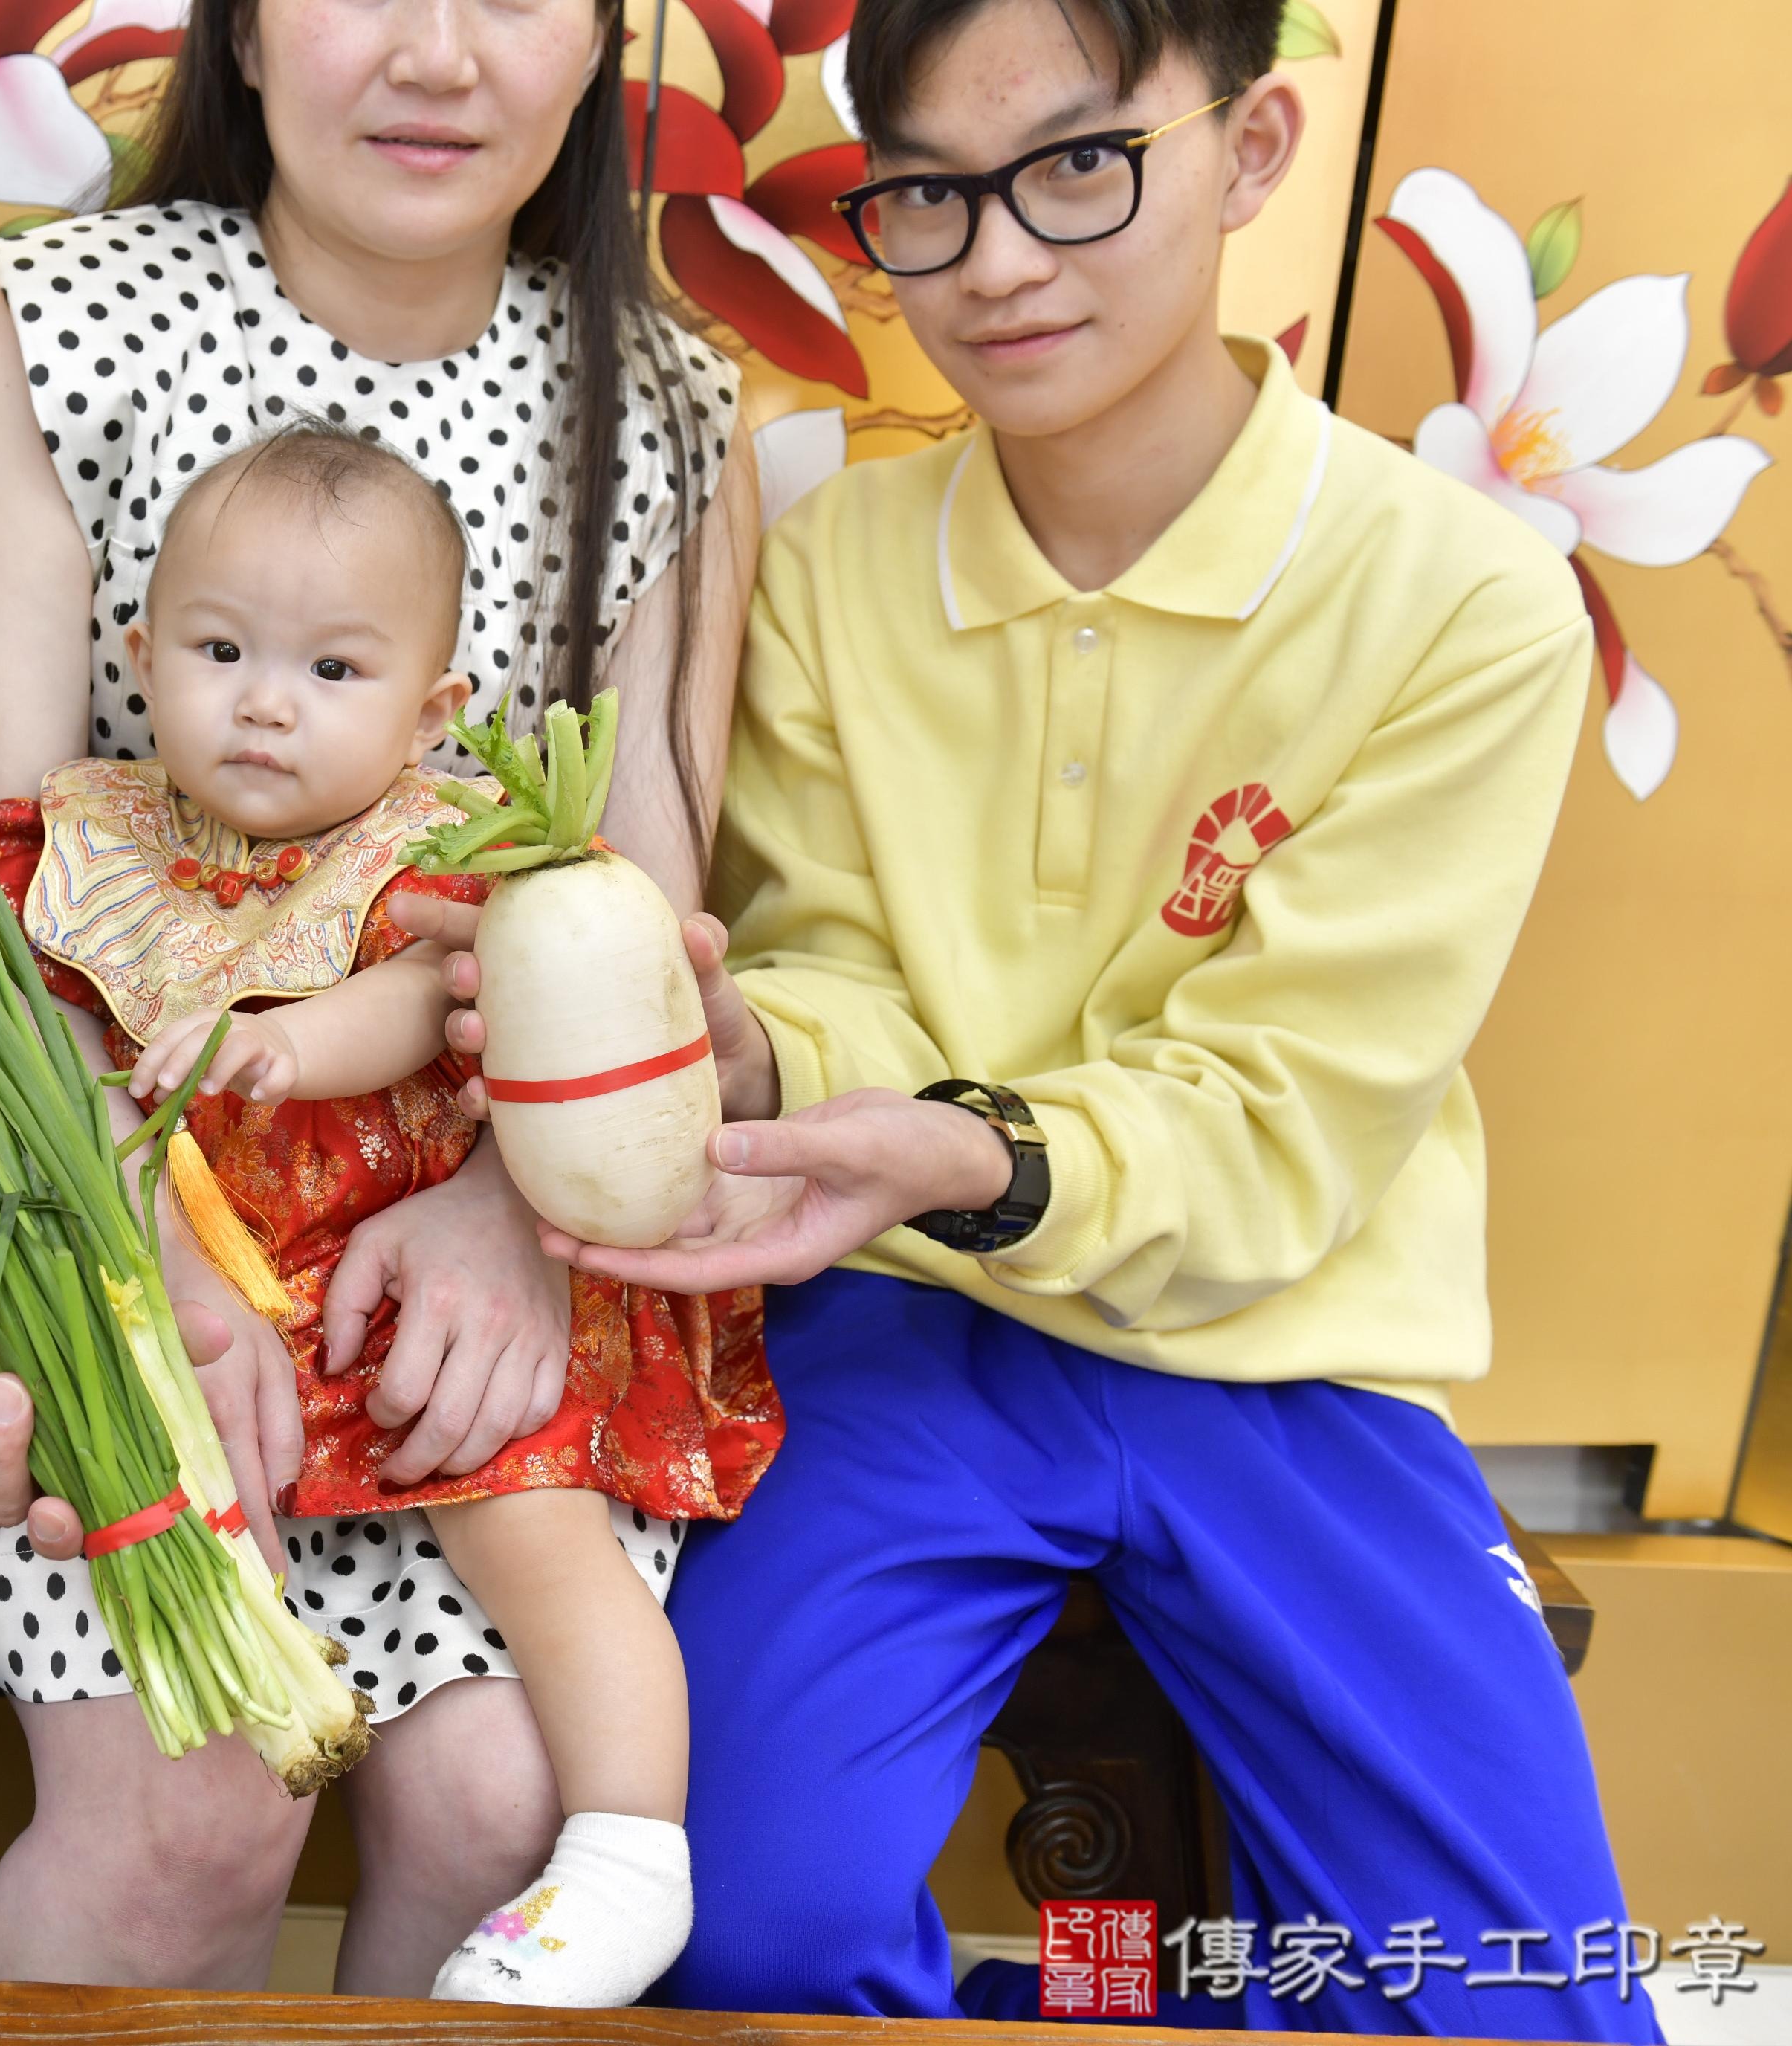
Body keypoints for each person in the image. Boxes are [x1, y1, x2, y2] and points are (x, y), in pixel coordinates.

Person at [413, 0, 1654, 2031]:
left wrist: (986, 1155)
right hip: (905, 1322)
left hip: (1292, 1352)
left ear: (1250, 151)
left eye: (1080, 167)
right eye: (927, 196)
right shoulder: (832, 566)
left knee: (1532, 2009)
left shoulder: (1464, 605)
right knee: (744, 1940)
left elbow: (1290, 1111)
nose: (995, 260)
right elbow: (831, 967)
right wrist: (745, 1062)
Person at [0, 0, 763, 1991]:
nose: (438, 56)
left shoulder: (662, 404)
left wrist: (514, 1215)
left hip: (452, 1218)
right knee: (195, 1807)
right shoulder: (72, 322)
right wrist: (151, 1258)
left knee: (495, 1798)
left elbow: (637, 921)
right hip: (82, 1167)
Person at [0, 428, 780, 2008]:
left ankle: (631, 1840)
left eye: (334, 668)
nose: (266, 699)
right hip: (140, 1249)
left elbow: (425, 1000)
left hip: (382, 1270)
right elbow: (17, 1011)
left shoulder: (445, 846)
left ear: (432, 708)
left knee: (531, 1506)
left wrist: (285, 1042)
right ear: (140, 652)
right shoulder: (88, 834)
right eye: (219, 650)